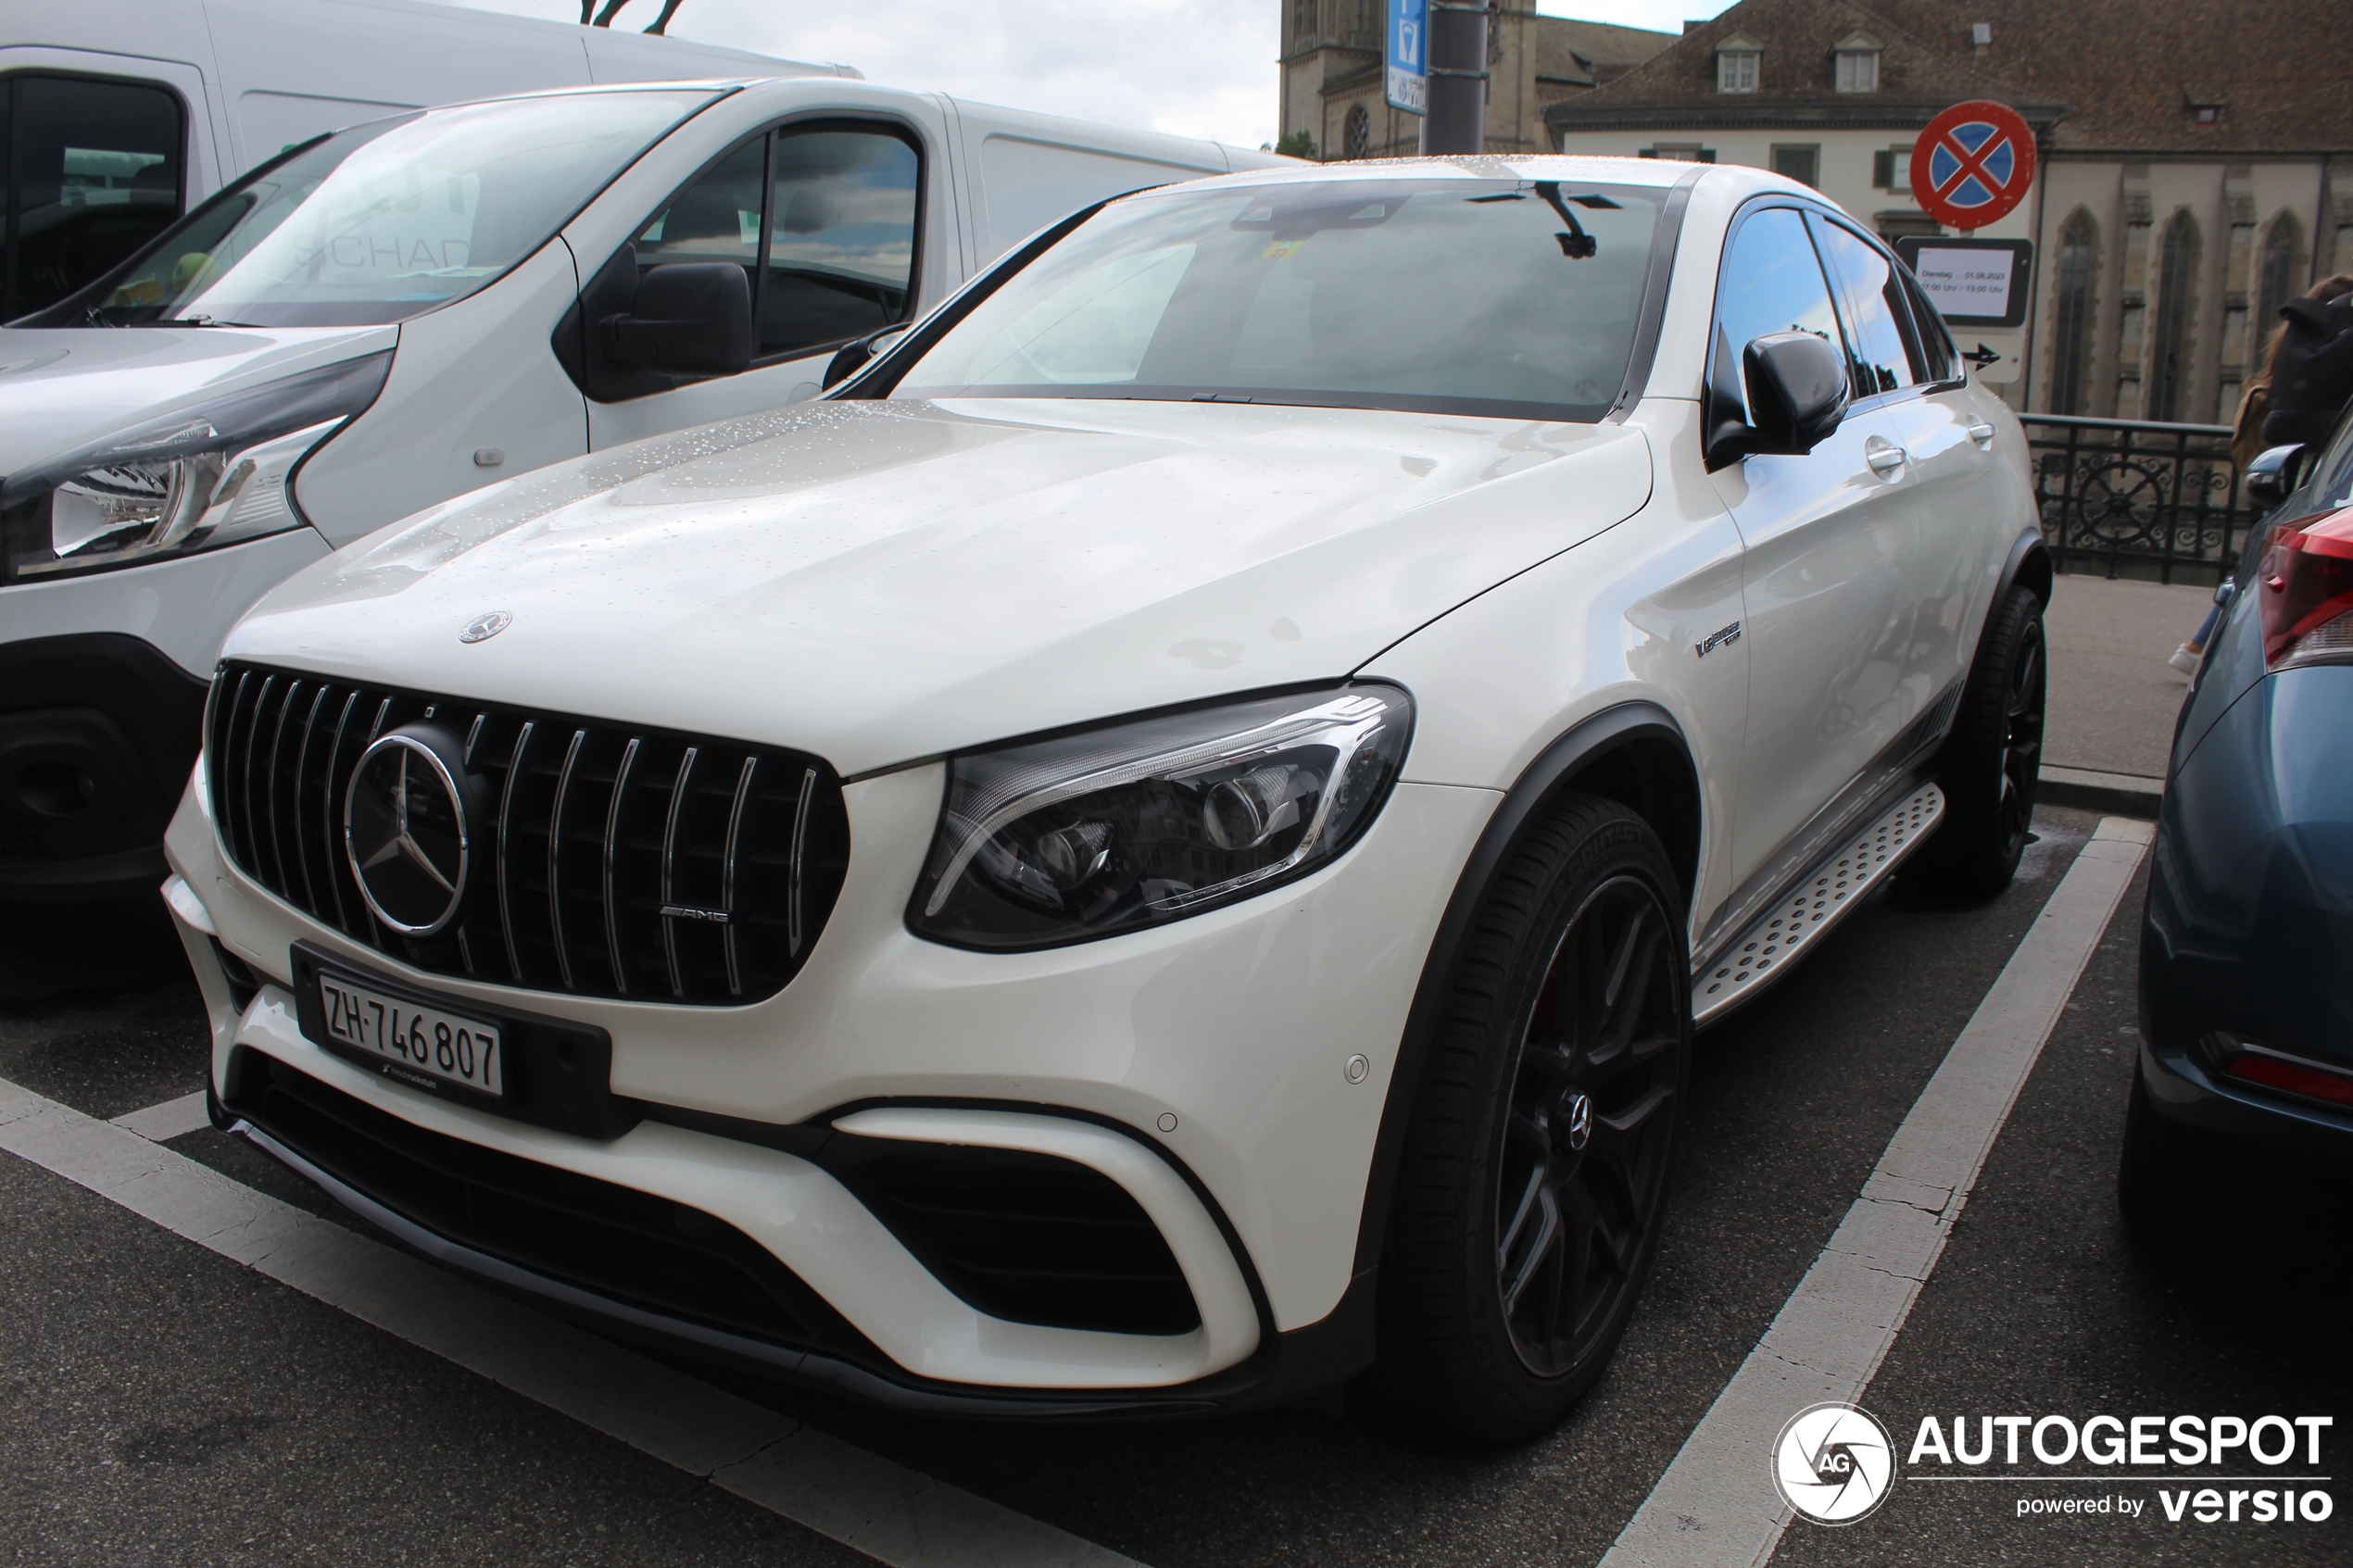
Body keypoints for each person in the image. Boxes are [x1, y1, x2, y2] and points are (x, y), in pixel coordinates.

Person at [2170, 272, 2353, 674]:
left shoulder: (2297, 341)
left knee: (2263, 557)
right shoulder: (2339, 345)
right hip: (2329, 464)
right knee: (2276, 565)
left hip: (2284, 460)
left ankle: (2201, 646)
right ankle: (2214, 650)